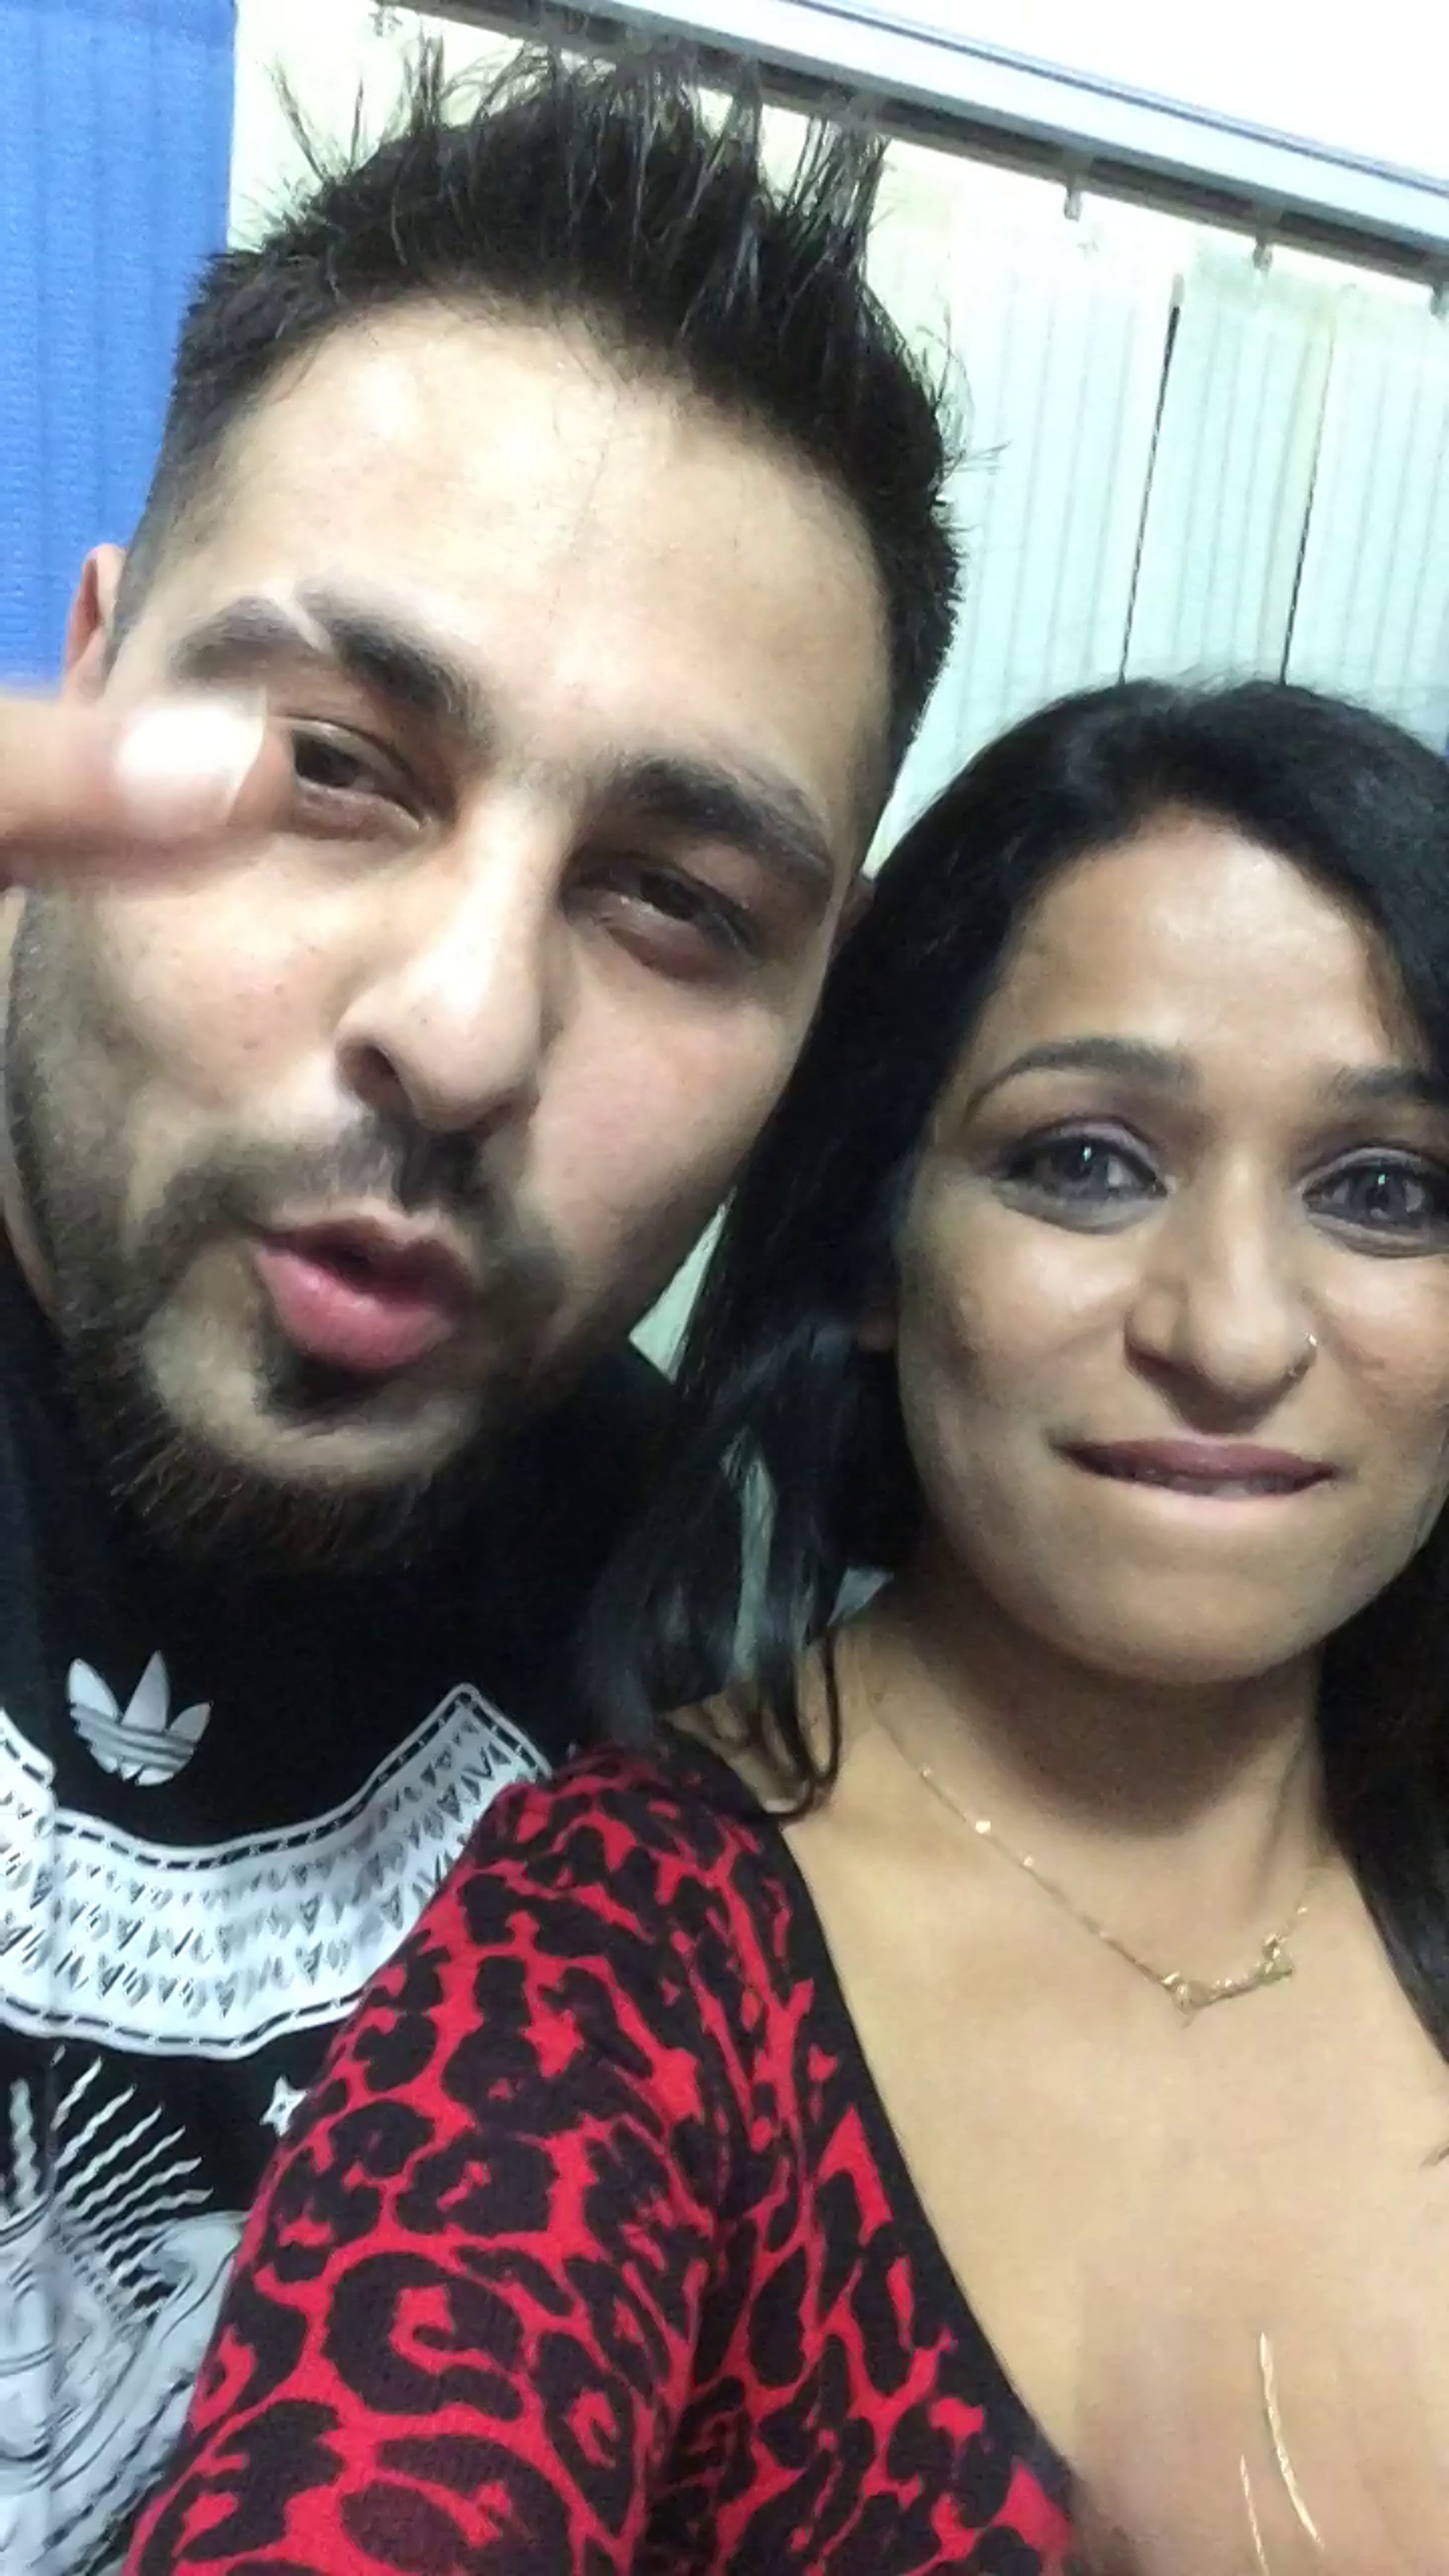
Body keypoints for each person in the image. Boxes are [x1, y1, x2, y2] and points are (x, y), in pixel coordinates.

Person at [128, 676, 1449, 2575]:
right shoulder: (615, 1959)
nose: (1232, 1332)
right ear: (881, 1239)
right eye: (1086, 1159)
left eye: (1385, 1189)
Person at [0, 46, 956, 2574]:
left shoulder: (734, 1667)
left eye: (678, 902)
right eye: (331, 765)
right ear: (89, 685)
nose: (461, 1028)